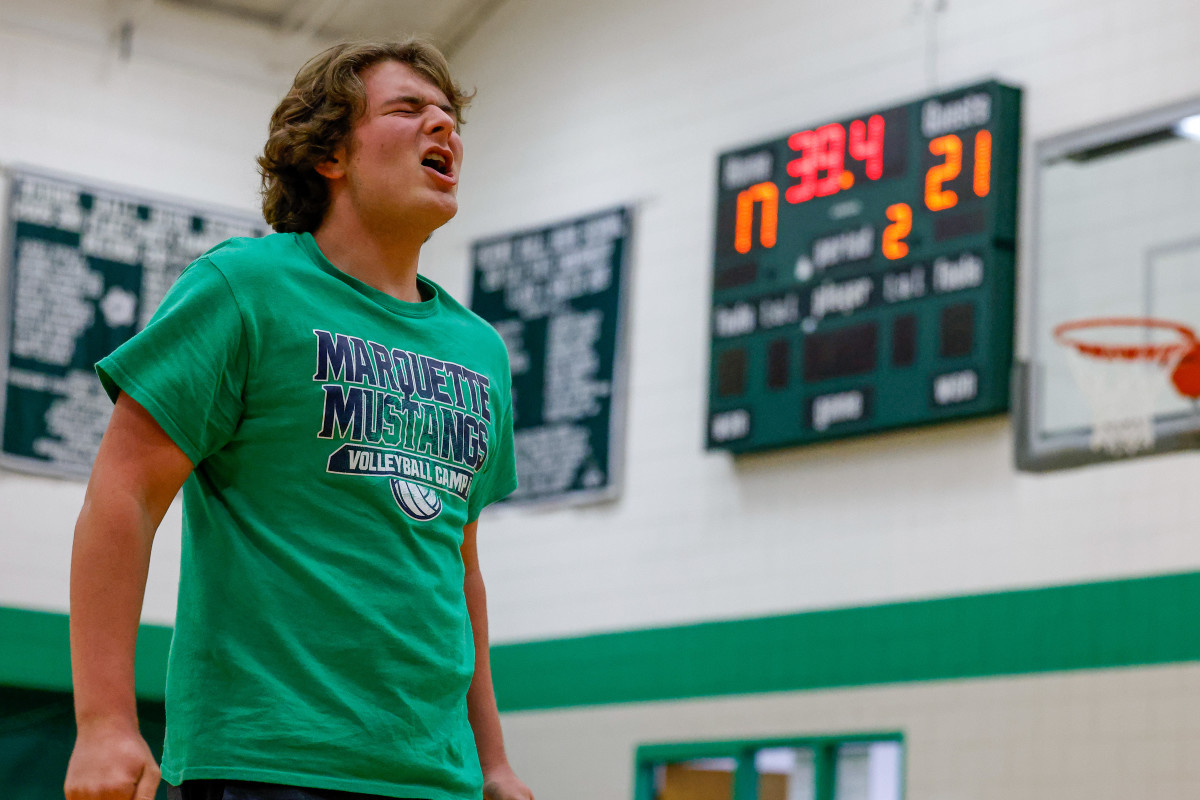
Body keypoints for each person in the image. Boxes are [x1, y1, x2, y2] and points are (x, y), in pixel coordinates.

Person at [63, 39, 532, 800]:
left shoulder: (479, 350)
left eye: (450, 115)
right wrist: (103, 722)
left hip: (436, 776)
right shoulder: (243, 286)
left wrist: (494, 759)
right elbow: (123, 495)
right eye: (409, 110)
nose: (442, 127)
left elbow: (460, 570)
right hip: (267, 763)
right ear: (330, 155)